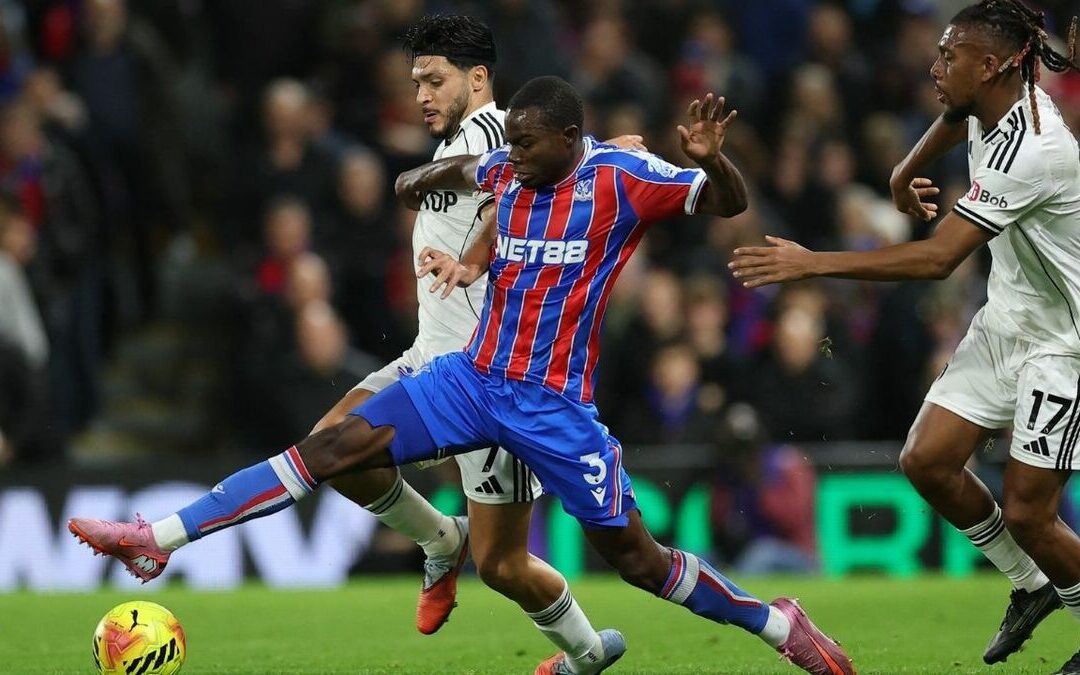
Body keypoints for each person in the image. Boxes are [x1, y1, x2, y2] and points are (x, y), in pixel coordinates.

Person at [70, 75, 854, 675]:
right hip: (473, 379)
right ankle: (159, 536)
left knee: (639, 562)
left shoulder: (622, 177)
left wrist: (716, 163)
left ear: (572, 139)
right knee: (335, 445)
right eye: (508, 143)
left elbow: (725, 205)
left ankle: (779, 624)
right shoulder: (510, 172)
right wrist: (456, 240)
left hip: (554, 408)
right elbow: (481, 198)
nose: (513, 155)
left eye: (529, 143)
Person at [79, 16, 633, 675]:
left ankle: (587, 652)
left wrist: (605, 149)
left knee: (506, 564)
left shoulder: (502, 136)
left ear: (478, 78)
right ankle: (169, 536)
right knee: (333, 452)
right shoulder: (459, 142)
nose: (420, 94)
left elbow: (551, 170)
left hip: (495, 382)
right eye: (414, 82)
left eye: (434, 80)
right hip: (434, 358)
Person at [729, 1, 1080, 671]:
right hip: (1008, 318)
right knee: (926, 460)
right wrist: (901, 169)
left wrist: (814, 262)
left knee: (1032, 512)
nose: (934, 65)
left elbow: (937, 258)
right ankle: (1032, 585)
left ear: (993, 64)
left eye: (950, 57)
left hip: (1065, 341)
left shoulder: (1036, 147)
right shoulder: (995, 100)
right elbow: (955, 117)